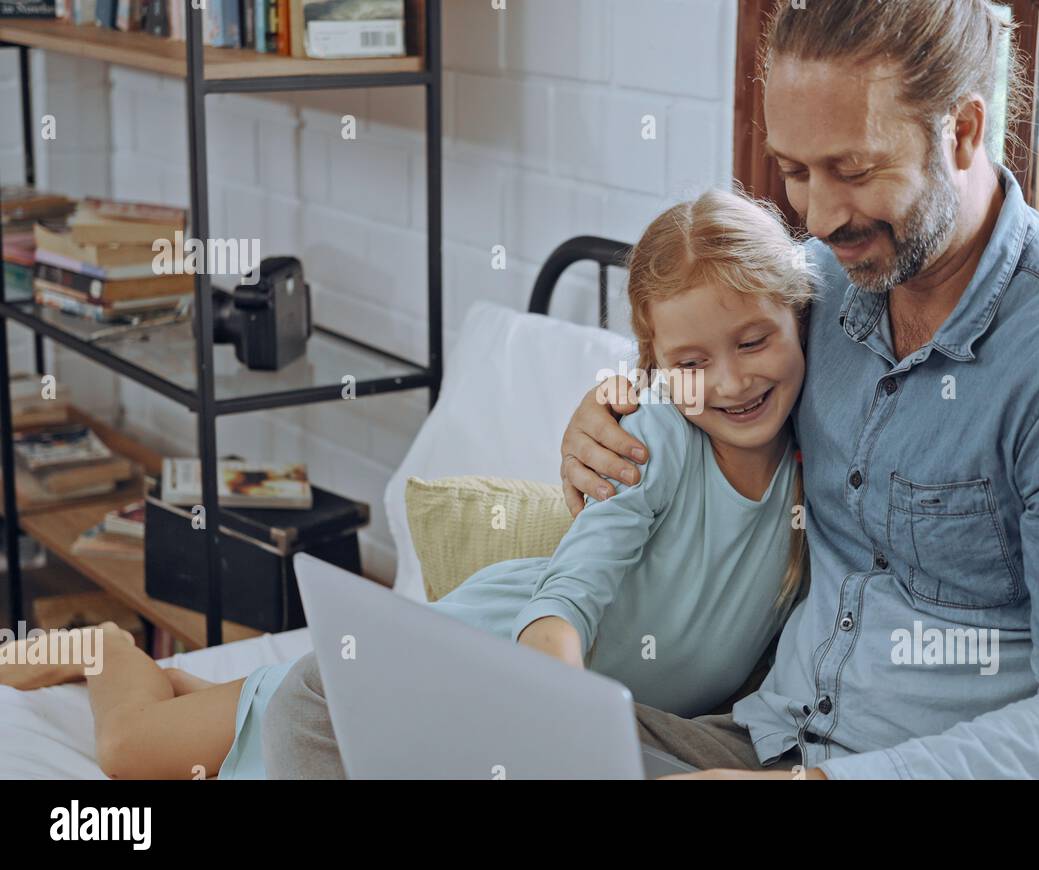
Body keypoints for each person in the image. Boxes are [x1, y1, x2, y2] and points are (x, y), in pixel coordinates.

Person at [266, 0, 1039, 780]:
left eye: (853, 170)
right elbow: (715, 361)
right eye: (796, 172)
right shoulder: (829, 286)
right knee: (326, 698)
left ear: (964, 130)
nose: (820, 215)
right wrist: (607, 402)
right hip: (753, 743)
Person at [0, 187, 818, 779]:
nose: (730, 381)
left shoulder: (827, 466)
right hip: (480, 654)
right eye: (689, 362)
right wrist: (561, 725)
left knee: (232, 705)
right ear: (652, 370)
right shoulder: (653, 440)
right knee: (132, 749)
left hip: (541, 700)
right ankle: (108, 649)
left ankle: (203, 684)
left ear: (800, 317)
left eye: (754, 340)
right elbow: (566, 598)